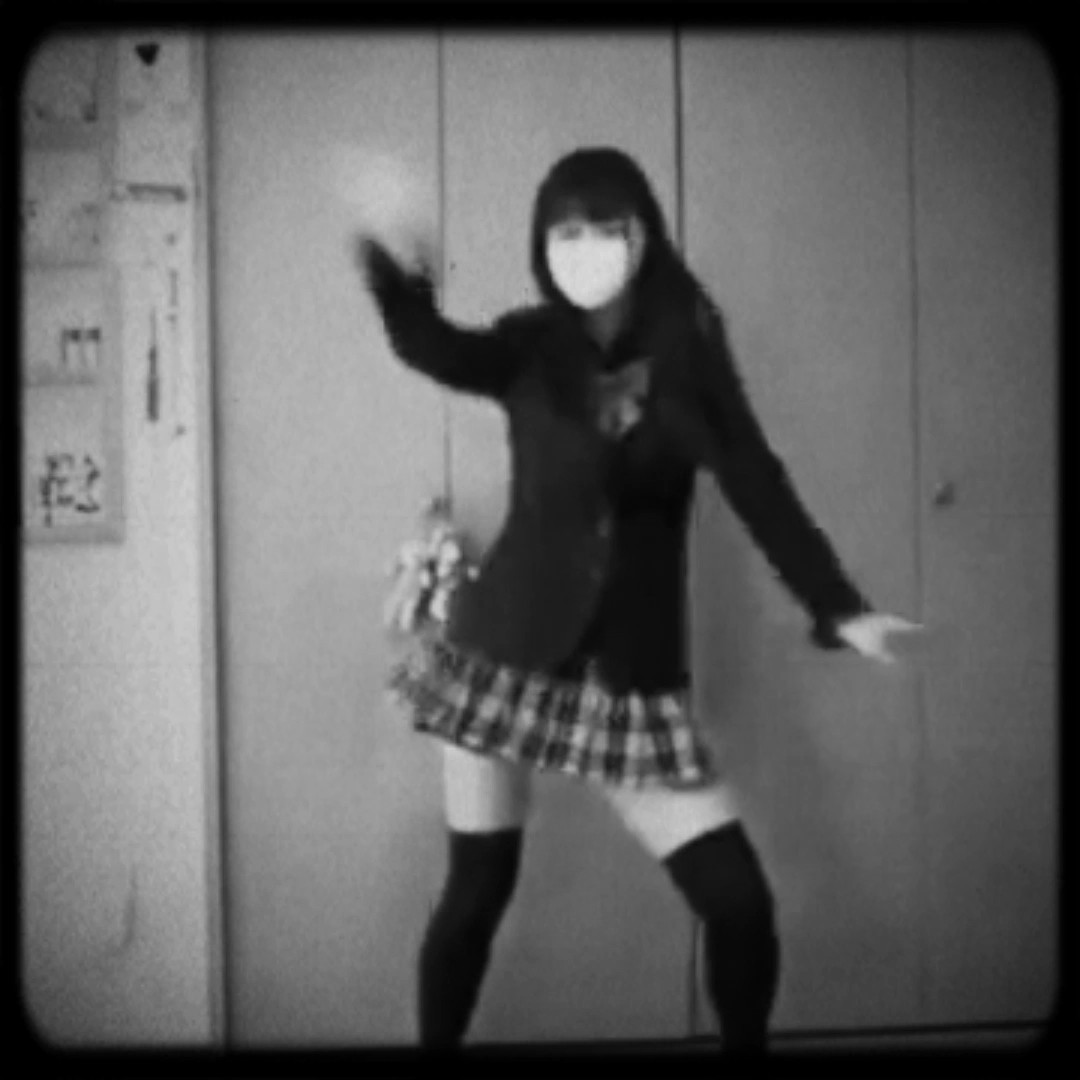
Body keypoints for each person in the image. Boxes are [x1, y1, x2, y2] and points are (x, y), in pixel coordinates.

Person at [356, 146, 921, 1054]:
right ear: (543, 246)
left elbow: (755, 481)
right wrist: (398, 264)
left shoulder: (689, 353)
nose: (583, 250)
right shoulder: (529, 345)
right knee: (477, 891)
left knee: (738, 904)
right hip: (505, 652)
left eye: (604, 229)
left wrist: (839, 605)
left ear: (643, 234)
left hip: (628, 672)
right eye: (564, 233)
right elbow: (432, 347)